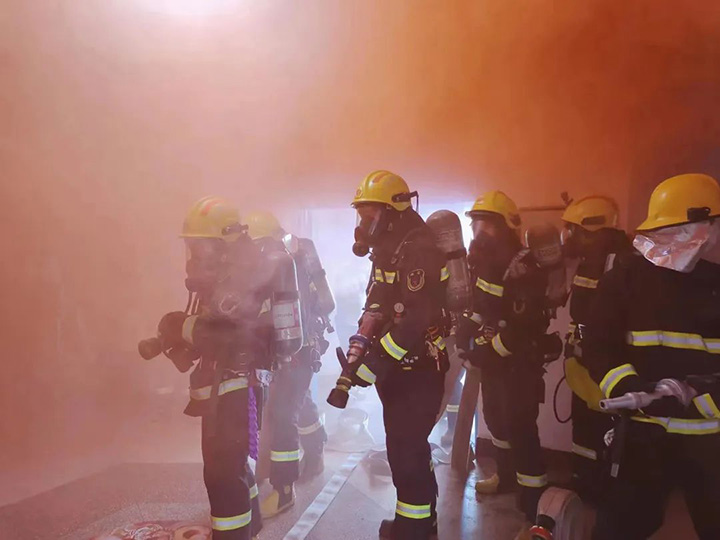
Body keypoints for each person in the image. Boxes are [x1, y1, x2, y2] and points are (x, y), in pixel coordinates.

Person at [585, 173, 720, 540]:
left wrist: (704, 394)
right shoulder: (625, 279)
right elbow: (598, 345)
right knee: (620, 529)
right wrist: (629, 386)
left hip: (711, 438)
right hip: (644, 434)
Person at [152, 196, 274, 540]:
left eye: (202, 247)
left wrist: (181, 327)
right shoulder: (226, 277)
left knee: (222, 475)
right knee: (233, 466)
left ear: (225, 245)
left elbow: (225, 337)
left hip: (235, 384)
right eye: (192, 247)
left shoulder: (241, 280)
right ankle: (250, 526)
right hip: (228, 385)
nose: (195, 256)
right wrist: (180, 335)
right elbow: (212, 330)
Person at [348, 170, 449, 540]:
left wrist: (374, 363)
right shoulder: (389, 248)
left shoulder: (418, 248)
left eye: (370, 215)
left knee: (406, 451)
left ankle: (414, 530)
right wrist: (366, 337)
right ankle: (419, 522)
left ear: (393, 212)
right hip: (401, 369)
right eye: (361, 216)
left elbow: (415, 321)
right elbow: (380, 297)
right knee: (406, 448)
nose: (363, 225)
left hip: (419, 369)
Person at [459, 190, 560, 540]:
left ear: (506, 227)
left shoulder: (524, 266)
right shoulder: (487, 261)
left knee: (521, 427)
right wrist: (466, 330)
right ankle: (504, 477)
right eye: (476, 225)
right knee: (495, 420)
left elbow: (522, 327)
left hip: (520, 362)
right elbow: (483, 306)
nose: (480, 233)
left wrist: (488, 351)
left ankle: (533, 504)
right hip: (495, 361)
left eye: (487, 225)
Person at [244, 211, 332, 519]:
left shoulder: (283, 266)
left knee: (282, 415)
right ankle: (317, 451)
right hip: (295, 350)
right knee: (299, 402)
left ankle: (284, 491)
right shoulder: (290, 261)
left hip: (296, 352)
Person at [560, 195, 631, 503]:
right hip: (583, 360)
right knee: (584, 424)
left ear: (593, 230)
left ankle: (603, 487)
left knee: (604, 426)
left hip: (604, 364)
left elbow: (610, 318)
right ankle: (584, 480)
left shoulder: (619, 262)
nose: (570, 237)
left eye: (576, 230)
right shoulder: (591, 260)